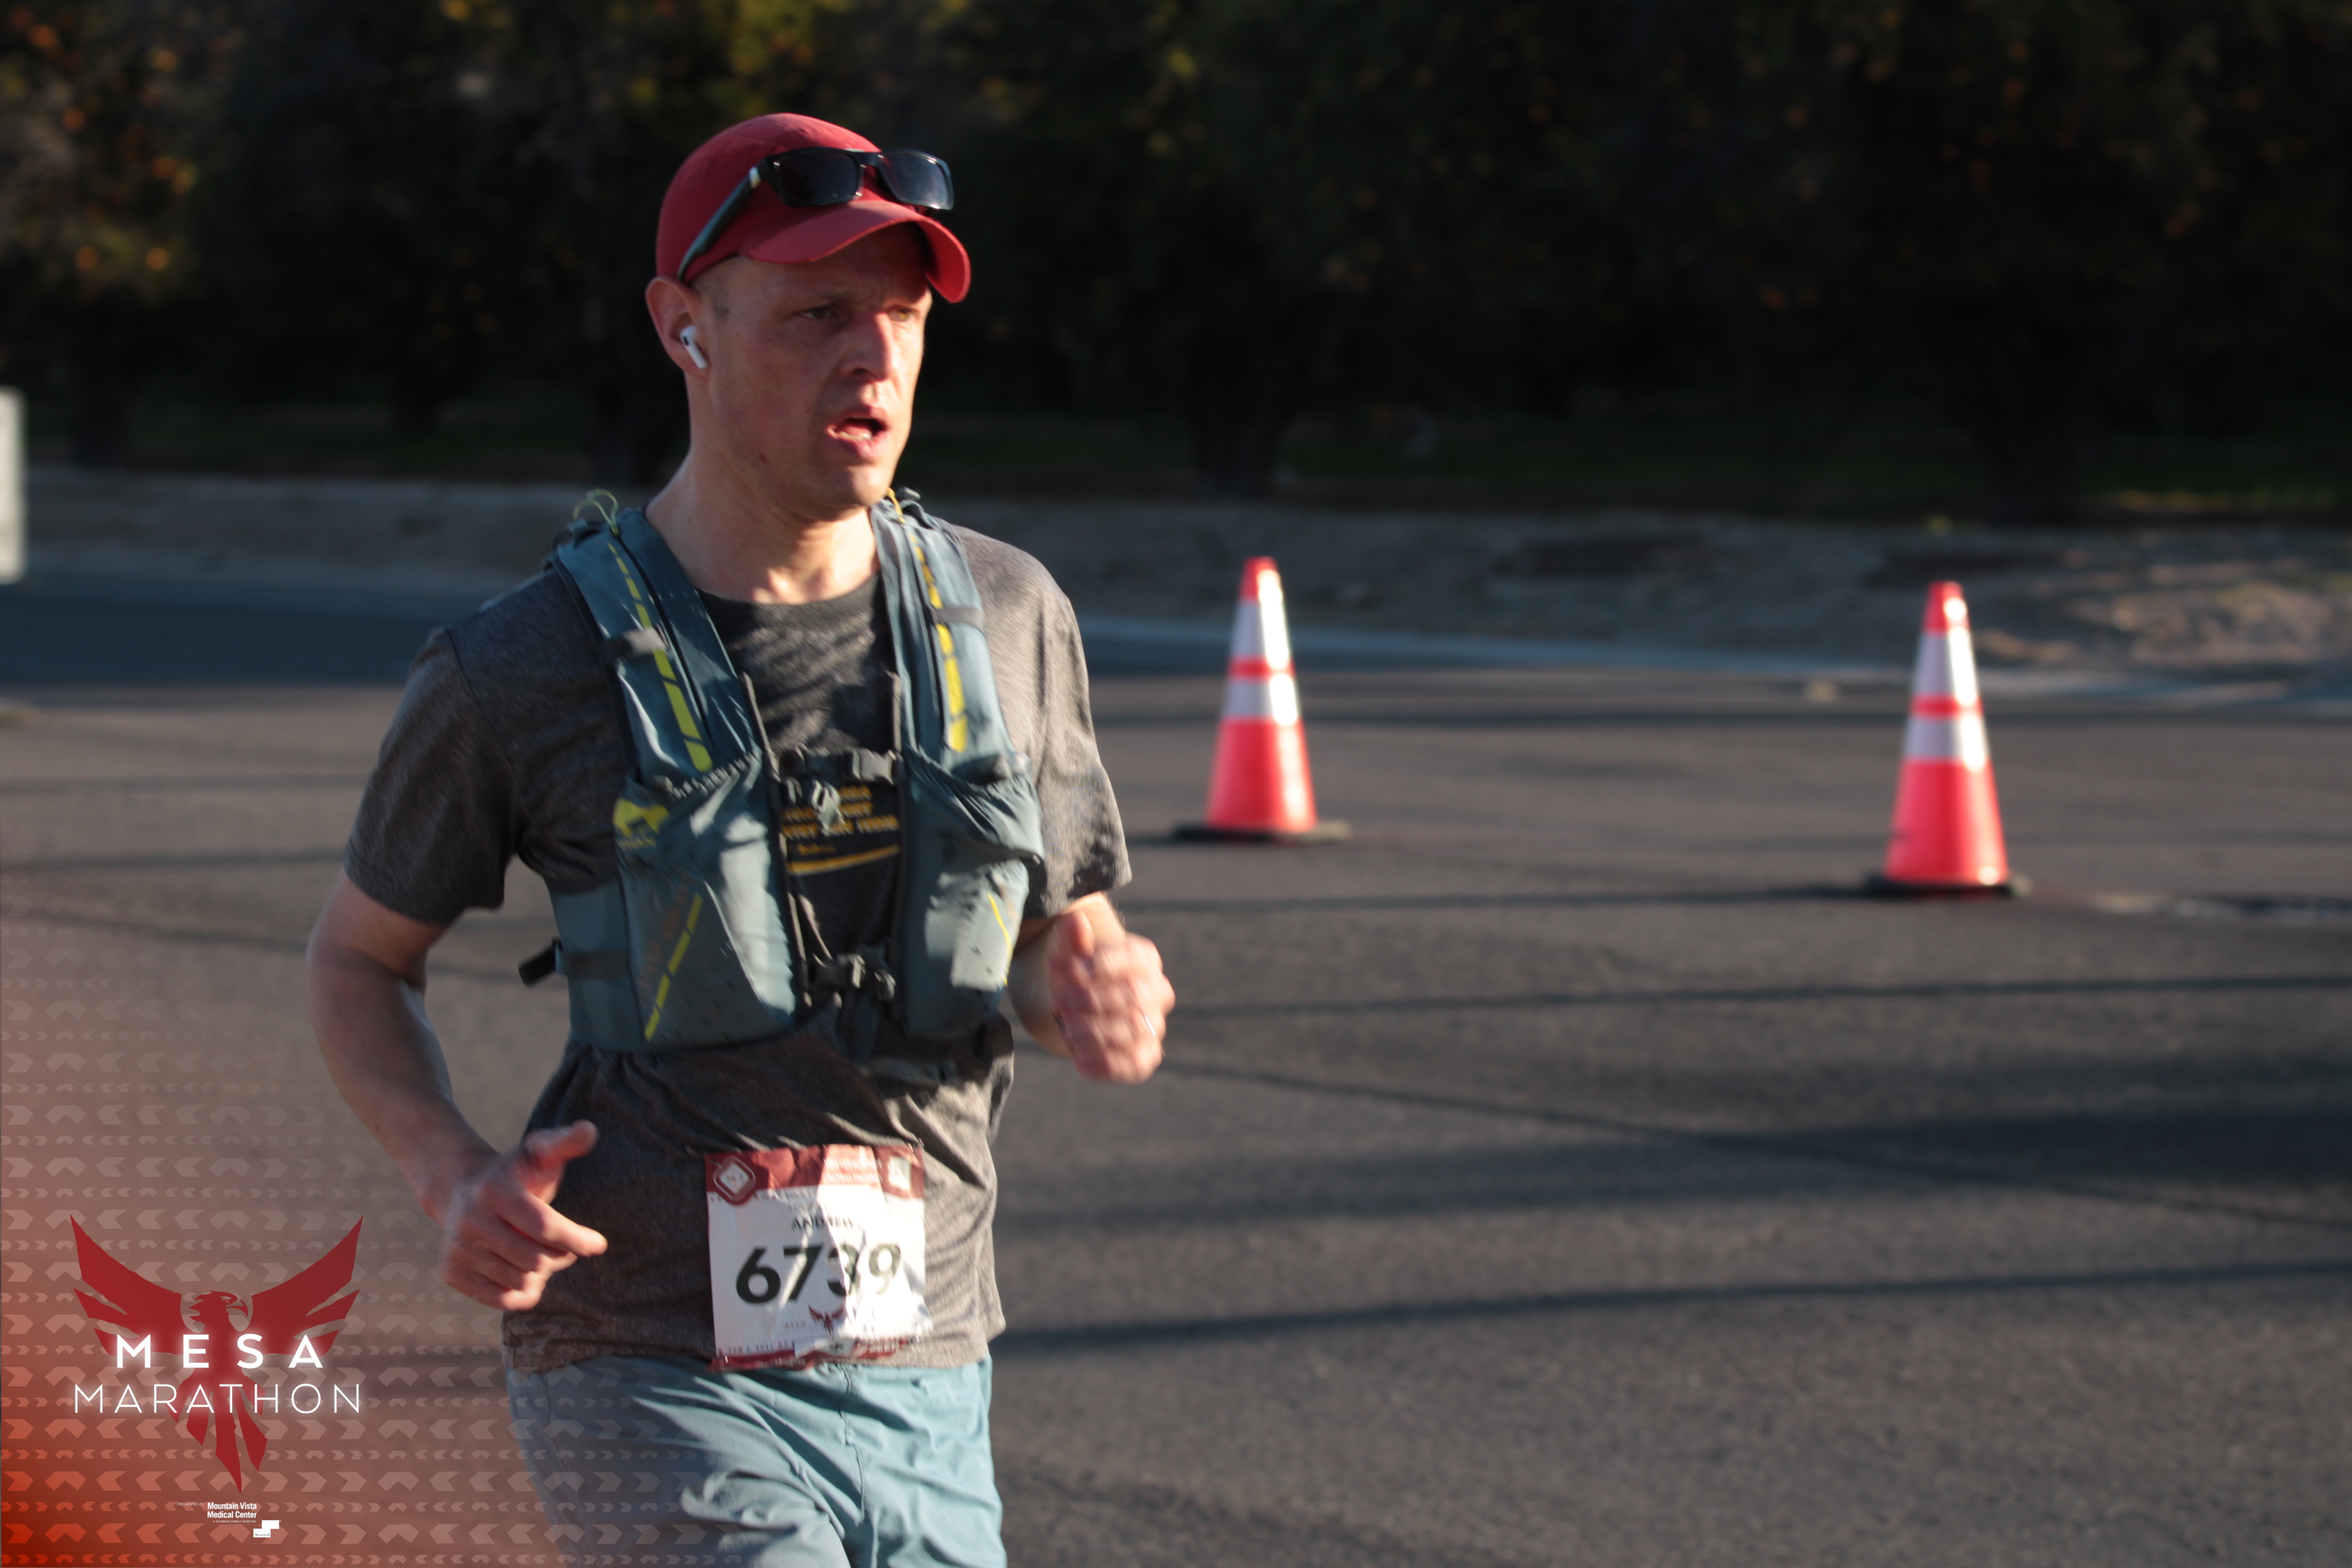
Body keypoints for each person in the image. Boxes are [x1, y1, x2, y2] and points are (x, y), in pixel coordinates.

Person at [305, 111, 1174, 1568]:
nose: (875, 357)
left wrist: (1093, 989)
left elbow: (1054, 935)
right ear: (684, 326)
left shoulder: (1011, 613)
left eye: (901, 315)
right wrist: (450, 1169)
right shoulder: (520, 664)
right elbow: (355, 960)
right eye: (817, 313)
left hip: (929, 1359)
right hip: (645, 1356)